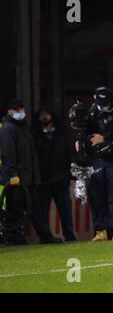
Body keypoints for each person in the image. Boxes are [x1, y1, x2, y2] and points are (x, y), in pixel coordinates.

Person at [0, 100, 62, 245]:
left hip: (28, 178)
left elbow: (30, 155)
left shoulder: (23, 128)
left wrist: (35, 176)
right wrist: (13, 175)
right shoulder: (8, 129)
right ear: (9, 111)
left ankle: (45, 236)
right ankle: (14, 238)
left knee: (35, 209)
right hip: (17, 179)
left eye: (21, 109)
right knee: (15, 210)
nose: (20, 112)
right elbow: (8, 155)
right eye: (17, 110)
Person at [80, 87, 113, 241]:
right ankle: (100, 230)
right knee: (96, 194)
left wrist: (105, 139)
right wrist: (82, 141)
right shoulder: (93, 112)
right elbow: (86, 133)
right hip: (97, 158)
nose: (102, 106)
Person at [33, 106, 76, 242]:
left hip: (61, 178)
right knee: (43, 211)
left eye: (47, 113)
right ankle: (46, 237)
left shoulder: (62, 134)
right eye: (42, 114)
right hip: (44, 181)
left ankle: (69, 236)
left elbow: (69, 154)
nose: (44, 117)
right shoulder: (35, 135)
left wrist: (70, 173)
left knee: (65, 210)